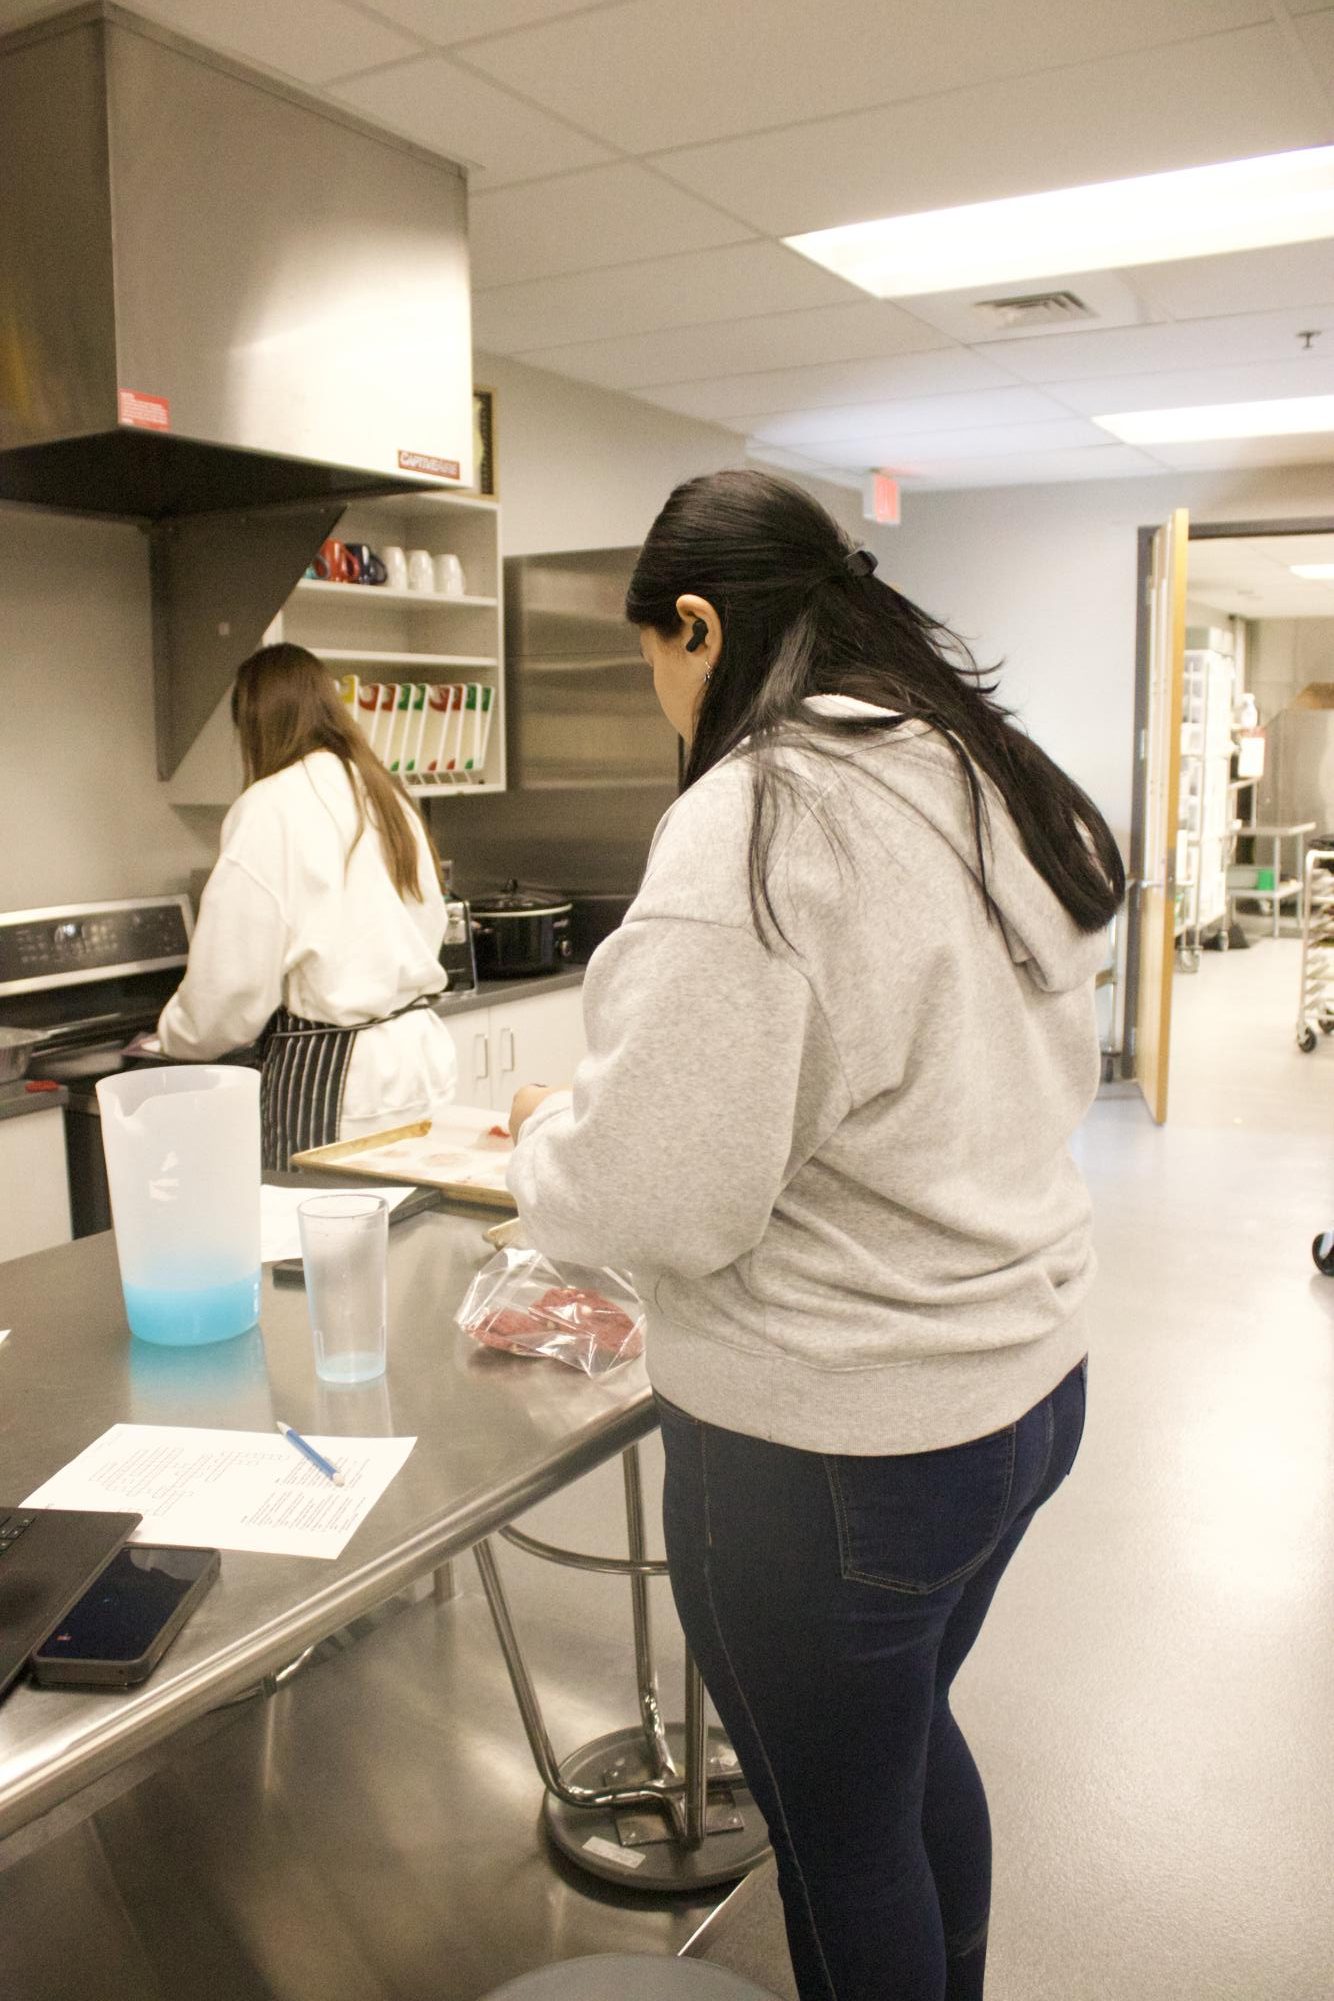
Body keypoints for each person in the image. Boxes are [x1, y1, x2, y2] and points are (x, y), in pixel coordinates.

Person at [506, 470, 1122, 2001]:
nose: (663, 697)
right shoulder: (969, 763)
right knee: (904, 1754)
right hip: (1021, 1383)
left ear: (697, 624)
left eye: (655, 655)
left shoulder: (764, 813)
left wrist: (540, 1152)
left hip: (840, 1450)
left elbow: (660, 1199)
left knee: (839, 1836)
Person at [158, 642, 456, 1168]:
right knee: (409, 1234)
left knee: (311, 1243)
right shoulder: (385, 792)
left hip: (336, 1078)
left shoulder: (270, 806)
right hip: (416, 1060)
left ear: (254, 725)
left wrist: (175, 1038)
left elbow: (231, 986)